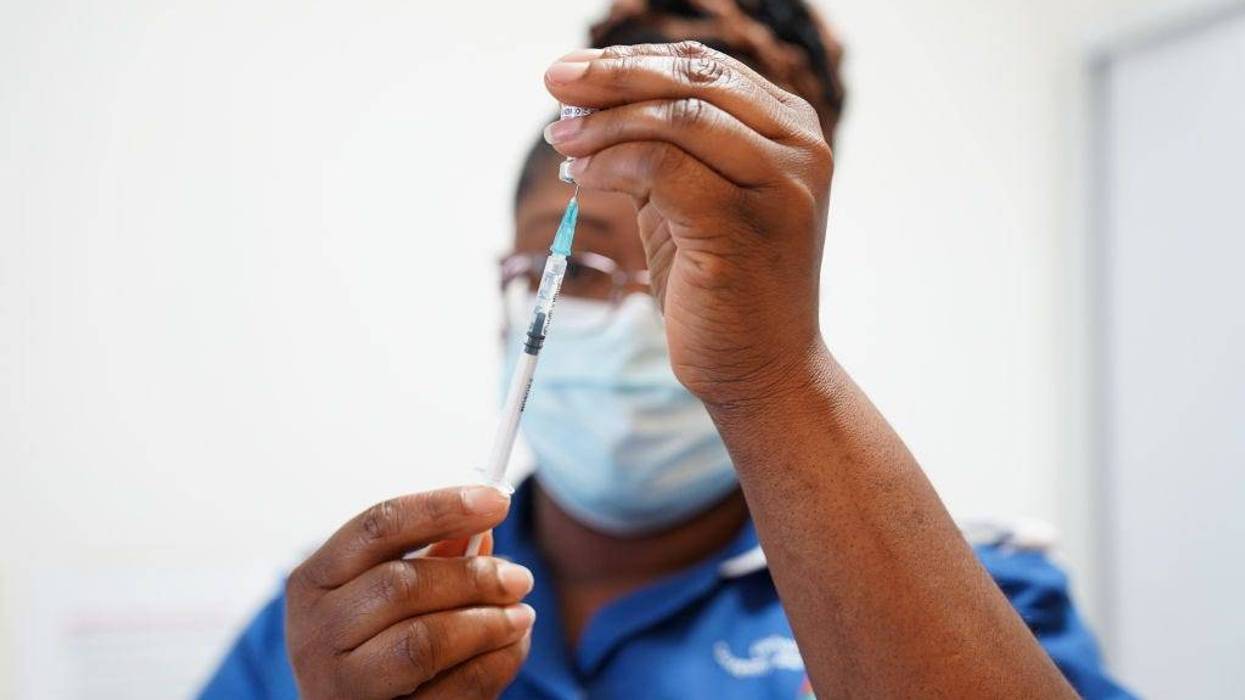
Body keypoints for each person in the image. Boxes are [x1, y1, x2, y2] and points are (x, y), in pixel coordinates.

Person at [201, 1, 1132, 698]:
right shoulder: (354, 620)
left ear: (787, 289)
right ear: (513, 284)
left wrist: (769, 376)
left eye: (696, 261)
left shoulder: (976, 598)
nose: (642, 314)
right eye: (585, 269)